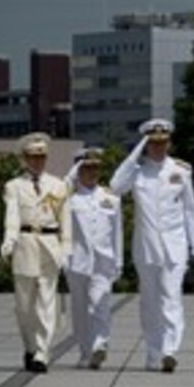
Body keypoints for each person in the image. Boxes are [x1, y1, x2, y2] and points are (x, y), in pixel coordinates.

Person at [110, 119, 194, 373]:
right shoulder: (137, 173)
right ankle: (153, 352)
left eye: (162, 143)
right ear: (145, 144)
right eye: (153, 143)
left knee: (171, 297)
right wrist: (135, 154)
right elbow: (116, 186)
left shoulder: (182, 171)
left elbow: (190, 211)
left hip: (175, 247)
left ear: (169, 143)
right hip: (147, 248)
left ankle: (170, 349)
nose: (158, 148)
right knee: (150, 303)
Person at [0, 132, 72, 373]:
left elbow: (66, 220)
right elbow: (12, 216)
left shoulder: (58, 185)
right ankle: (30, 347)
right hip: (25, 244)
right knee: (23, 306)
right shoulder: (14, 186)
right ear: (24, 158)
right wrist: (8, 241)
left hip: (50, 245)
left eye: (41, 157)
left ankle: (42, 352)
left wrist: (66, 250)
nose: (37, 161)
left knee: (46, 302)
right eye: (32, 157)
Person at [64, 147, 123, 370]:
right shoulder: (68, 199)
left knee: (101, 303)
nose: (92, 172)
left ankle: (100, 344)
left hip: (103, 260)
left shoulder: (110, 197)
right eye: (86, 168)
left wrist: (119, 262)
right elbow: (63, 232)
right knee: (80, 310)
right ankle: (85, 352)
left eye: (95, 168)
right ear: (78, 169)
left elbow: (117, 232)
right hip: (76, 261)